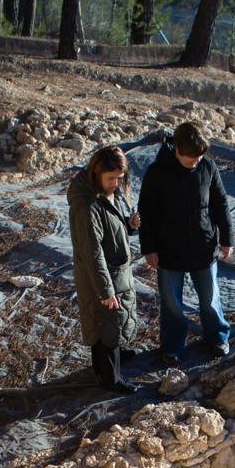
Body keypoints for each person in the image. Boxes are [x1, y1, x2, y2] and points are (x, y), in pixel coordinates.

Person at [138, 121, 235, 365]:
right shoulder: (157, 172)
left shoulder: (208, 166)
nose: (196, 162)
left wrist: (227, 238)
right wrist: (148, 248)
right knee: (172, 304)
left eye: (200, 157)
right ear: (177, 150)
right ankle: (172, 347)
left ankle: (218, 338)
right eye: (191, 157)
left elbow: (220, 203)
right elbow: (146, 212)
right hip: (169, 250)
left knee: (210, 300)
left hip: (204, 246)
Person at [67, 146, 141, 394]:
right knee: (104, 324)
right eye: (111, 179)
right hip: (101, 276)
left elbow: (110, 226)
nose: (116, 184)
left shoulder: (102, 191)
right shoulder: (86, 206)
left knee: (113, 323)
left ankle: (115, 357)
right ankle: (110, 378)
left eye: (119, 178)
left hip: (114, 271)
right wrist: (105, 290)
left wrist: (128, 226)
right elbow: (92, 252)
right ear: (96, 174)